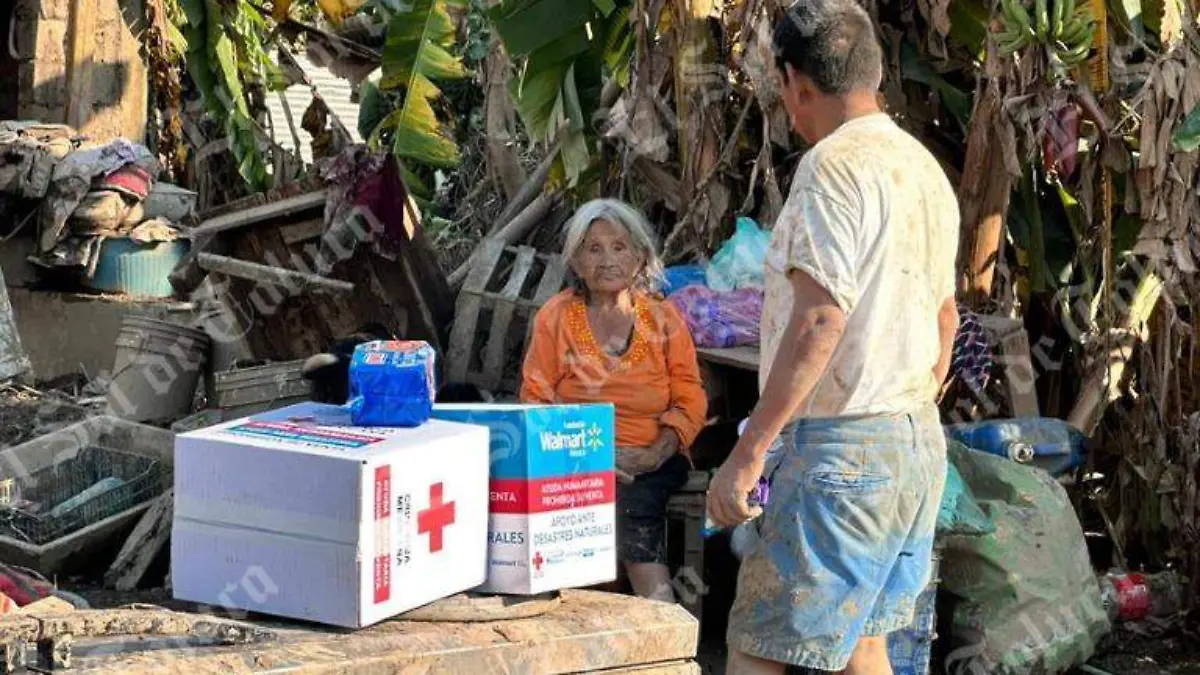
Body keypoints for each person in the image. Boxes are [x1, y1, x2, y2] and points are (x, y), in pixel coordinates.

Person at [706, 1, 960, 673]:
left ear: (796, 82)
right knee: (861, 645)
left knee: (759, 646)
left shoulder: (832, 168)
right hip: (915, 446)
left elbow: (821, 319)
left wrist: (750, 452)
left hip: (843, 453)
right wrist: (900, 415)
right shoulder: (924, 171)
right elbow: (946, 320)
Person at [520, 198, 707, 602]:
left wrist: (657, 451)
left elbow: (690, 396)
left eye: (619, 247)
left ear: (640, 256)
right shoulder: (554, 316)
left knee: (629, 505)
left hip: (653, 455)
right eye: (593, 248)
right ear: (576, 261)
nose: (607, 260)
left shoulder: (663, 318)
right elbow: (535, 399)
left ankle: (662, 633)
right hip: (572, 457)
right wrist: (589, 457)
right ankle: (579, 623)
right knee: (593, 500)